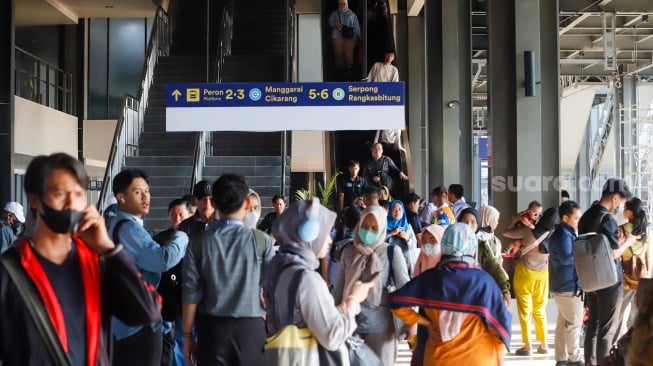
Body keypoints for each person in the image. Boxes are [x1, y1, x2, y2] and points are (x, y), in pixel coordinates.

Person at [0, 152, 160, 365]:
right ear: (34, 199)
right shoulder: (9, 272)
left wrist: (108, 249)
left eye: (78, 194)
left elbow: (145, 312)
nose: (71, 204)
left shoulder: (95, 262)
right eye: (60, 194)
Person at [264, 198, 376, 360]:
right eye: (325, 232)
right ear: (310, 234)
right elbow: (333, 336)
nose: (330, 239)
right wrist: (353, 300)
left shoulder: (277, 266)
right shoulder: (306, 278)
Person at [182, 174, 275, 366]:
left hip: (213, 333)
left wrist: (187, 335)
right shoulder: (261, 240)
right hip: (252, 330)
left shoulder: (198, 243)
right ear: (248, 202)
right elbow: (273, 289)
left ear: (214, 202)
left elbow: (190, 294)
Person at [390, 223, 512, 366]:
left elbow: (396, 301)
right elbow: (497, 329)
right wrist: (500, 361)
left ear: (444, 245)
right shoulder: (484, 282)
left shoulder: (430, 278)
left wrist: (424, 322)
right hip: (478, 359)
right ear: (472, 247)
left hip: (438, 359)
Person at [108, 169, 189, 366]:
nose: (146, 197)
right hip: (139, 324)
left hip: (126, 320)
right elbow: (162, 260)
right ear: (121, 198)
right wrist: (182, 235)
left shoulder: (116, 224)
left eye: (147, 191)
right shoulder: (128, 228)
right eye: (138, 192)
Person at [333, 205, 412, 365]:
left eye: (374, 228)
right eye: (365, 226)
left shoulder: (392, 253)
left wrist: (411, 322)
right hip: (351, 327)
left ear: (382, 229)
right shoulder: (349, 252)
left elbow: (405, 289)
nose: (368, 231)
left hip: (382, 331)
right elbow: (339, 288)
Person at [578, 178, 639, 365]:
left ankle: (590, 363)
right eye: (620, 201)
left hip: (591, 280)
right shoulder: (608, 219)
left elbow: (595, 248)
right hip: (610, 281)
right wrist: (628, 242)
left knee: (593, 327)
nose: (620, 206)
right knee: (606, 331)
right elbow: (612, 253)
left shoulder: (586, 216)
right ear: (614, 198)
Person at [503, 207, 558, 356]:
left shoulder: (528, 232)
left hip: (525, 275)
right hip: (543, 276)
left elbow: (506, 232)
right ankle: (544, 344)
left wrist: (516, 219)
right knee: (540, 311)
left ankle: (528, 347)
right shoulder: (554, 235)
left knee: (525, 312)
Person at [153, 198, 193, 366]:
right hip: (167, 300)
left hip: (188, 298)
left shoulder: (195, 237)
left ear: (189, 215)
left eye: (181, 214)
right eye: (173, 214)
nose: (177, 218)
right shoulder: (160, 238)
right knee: (171, 344)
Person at [548, 200, 583, 366]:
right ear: (565, 218)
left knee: (563, 324)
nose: (578, 221)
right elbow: (566, 258)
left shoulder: (565, 233)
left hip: (563, 284)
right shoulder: (563, 235)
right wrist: (583, 255)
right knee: (574, 322)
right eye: (576, 218)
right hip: (567, 285)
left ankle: (561, 358)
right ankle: (574, 359)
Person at [457, 207, 512, 309]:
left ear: (477, 225)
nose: (468, 225)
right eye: (465, 221)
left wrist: (505, 290)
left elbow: (494, 267)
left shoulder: (481, 245)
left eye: (473, 222)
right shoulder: (451, 241)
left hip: (475, 294)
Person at [614, 197, 650, 343]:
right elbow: (649, 257)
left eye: (625, 208)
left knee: (619, 314)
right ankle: (636, 345)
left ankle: (615, 345)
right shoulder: (646, 231)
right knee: (639, 314)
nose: (623, 210)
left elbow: (616, 253)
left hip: (625, 278)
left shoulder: (621, 230)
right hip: (642, 279)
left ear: (630, 212)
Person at [328, 0, 361, 78]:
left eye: (344, 3)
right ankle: (340, 71)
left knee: (348, 53)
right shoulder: (335, 13)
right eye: (340, 4)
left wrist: (359, 35)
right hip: (336, 36)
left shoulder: (352, 14)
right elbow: (329, 22)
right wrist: (335, 24)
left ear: (347, 4)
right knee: (338, 53)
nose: (342, 5)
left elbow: (356, 25)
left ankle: (349, 70)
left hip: (349, 36)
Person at [386, 199, 418, 275]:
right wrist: (390, 233)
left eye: (400, 209)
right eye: (394, 209)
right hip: (391, 260)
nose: (397, 212)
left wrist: (407, 238)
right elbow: (379, 242)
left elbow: (414, 245)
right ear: (390, 211)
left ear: (403, 211)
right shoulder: (385, 226)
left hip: (407, 261)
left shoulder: (408, 227)